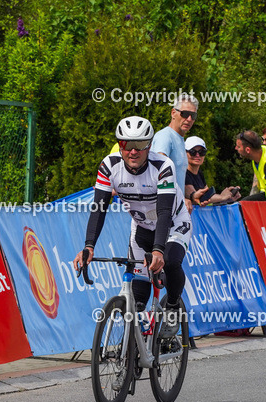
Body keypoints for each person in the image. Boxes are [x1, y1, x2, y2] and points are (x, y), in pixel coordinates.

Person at [74, 116, 192, 338]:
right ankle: (134, 346)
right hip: (141, 227)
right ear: (120, 144)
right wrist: (89, 246)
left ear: (150, 145)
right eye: (126, 144)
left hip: (174, 223)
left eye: (140, 144)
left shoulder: (163, 166)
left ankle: (173, 307)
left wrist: (158, 250)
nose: (133, 151)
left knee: (170, 261)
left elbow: (164, 212)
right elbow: (99, 209)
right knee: (137, 298)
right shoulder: (109, 166)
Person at [151, 93, 199, 198]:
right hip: (163, 203)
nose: (189, 119)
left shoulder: (179, 139)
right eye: (185, 114)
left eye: (193, 116)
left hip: (174, 204)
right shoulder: (165, 136)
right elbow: (159, 172)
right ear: (173, 113)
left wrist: (191, 196)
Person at [184, 136, 241, 207]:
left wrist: (227, 198)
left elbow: (207, 197)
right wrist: (222, 197)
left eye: (202, 152)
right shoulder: (183, 173)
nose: (197, 155)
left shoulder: (199, 173)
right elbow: (196, 197)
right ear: (184, 153)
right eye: (192, 152)